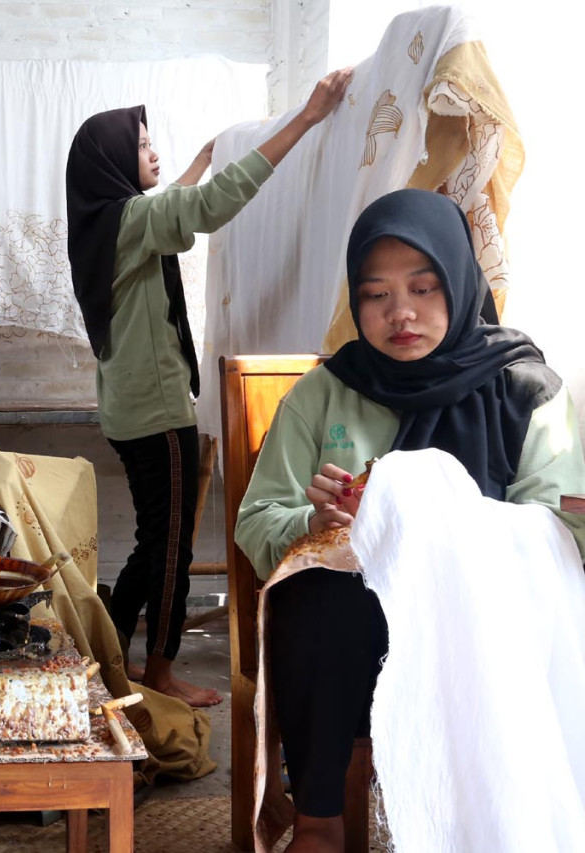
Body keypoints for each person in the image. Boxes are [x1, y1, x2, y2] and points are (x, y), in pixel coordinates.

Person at [234, 188, 585, 853]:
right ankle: (320, 821)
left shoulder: (526, 390)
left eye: (423, 288)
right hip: (359, 633)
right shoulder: (325, 391)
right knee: (319, 598)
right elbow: (257, 520)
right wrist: (318, 526)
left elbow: (562, 531)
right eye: (375, 294)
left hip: (487, 631)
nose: (401, 312)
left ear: (459, 280)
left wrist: (428, 511)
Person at [65, 67, 354, 707]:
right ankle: (160, 670)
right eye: (143, 147)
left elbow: (173, 207)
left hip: (127, 408)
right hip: (157, 414)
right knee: (170, 547)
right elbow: (205, 207)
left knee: (152, 539)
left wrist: (197, 157)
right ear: (116, 163)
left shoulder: (102, 222)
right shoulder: (129, 218)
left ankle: (111, 649)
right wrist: (305, 119)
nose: (154, 154)